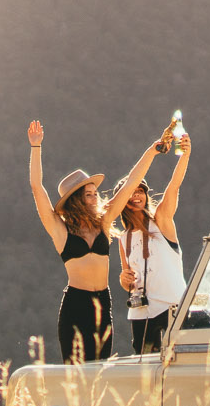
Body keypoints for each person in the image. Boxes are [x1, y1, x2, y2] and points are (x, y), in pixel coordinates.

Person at [27, 118, 165, 364]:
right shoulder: (61, 230)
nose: (95, 197)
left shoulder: (103, 221)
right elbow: (37, 188)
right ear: (77, 200)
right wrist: (36, 147)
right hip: (75, 305)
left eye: (94, 193)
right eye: (88, 194)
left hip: (103, 302)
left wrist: (153, 150)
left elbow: (132, 181)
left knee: (100, 372)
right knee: (76, 376)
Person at [117, 127, 191, 353]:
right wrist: (124, 278)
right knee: (145, 372)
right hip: (140, 313)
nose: (136, 196)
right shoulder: (123, 239)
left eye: (141, 191)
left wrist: (185, 154)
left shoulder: (161, 221)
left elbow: (173, 188)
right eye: (131, 192)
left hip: (172, 307)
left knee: (177, 364)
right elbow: (127, 283)